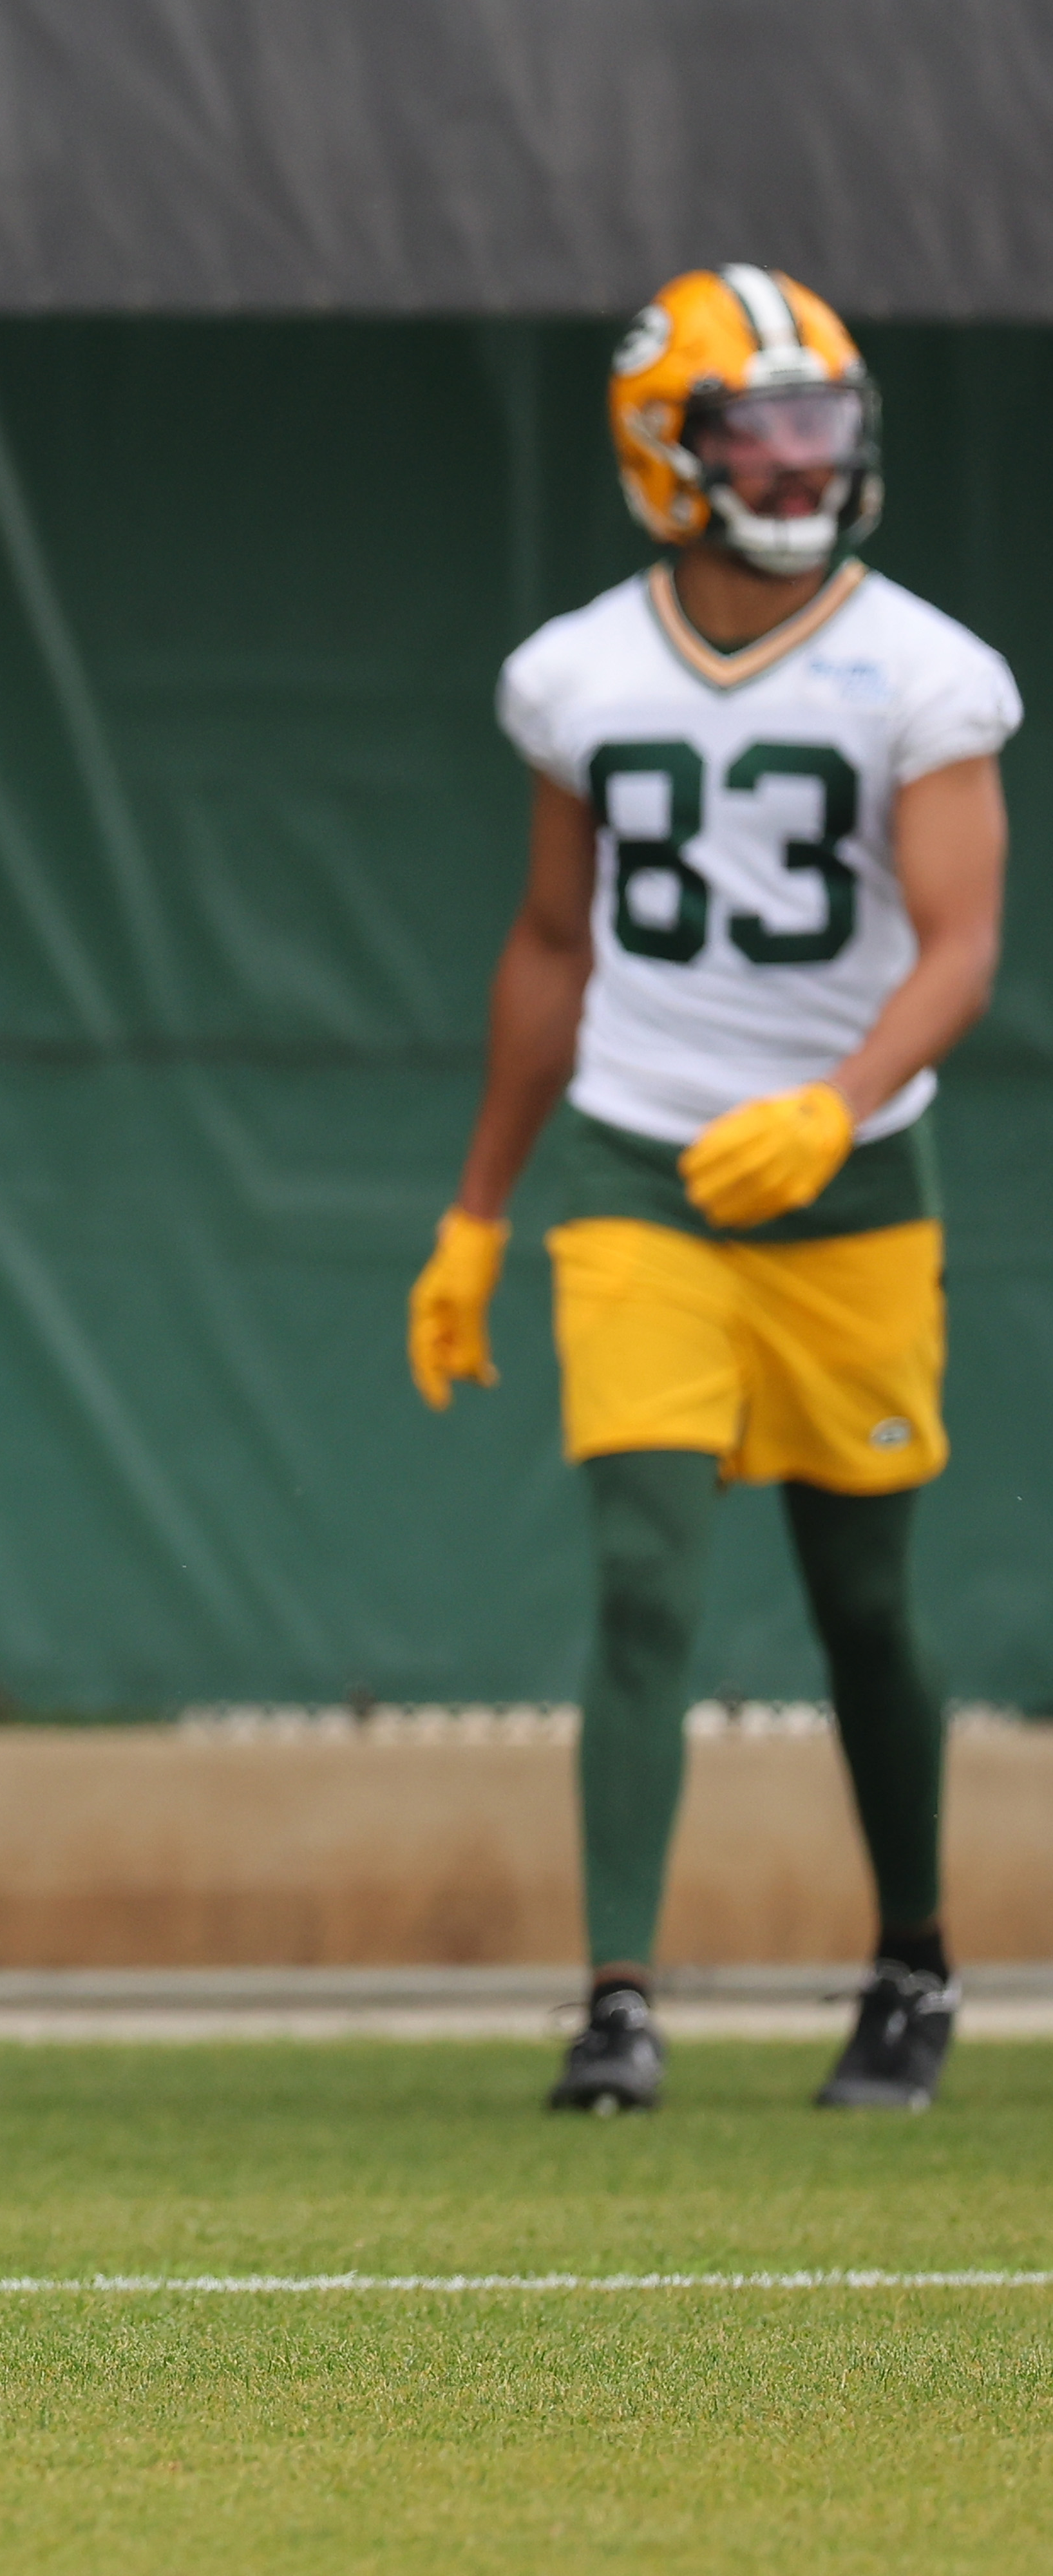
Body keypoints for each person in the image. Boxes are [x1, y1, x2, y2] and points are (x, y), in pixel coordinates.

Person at [410, 265, 1012, 2116]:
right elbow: (545, 944)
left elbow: (963, 942)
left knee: (864, 1604)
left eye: (817, 419)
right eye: (751, 424)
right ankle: (618, 2000)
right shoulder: (580, 669)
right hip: (640, 1166)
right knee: (644, 1578)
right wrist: (481, 1209)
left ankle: (910, 1964)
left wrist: (839, 1107)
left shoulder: (923, 666)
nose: (794, 456)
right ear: (666, 454)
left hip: (850, 1193)